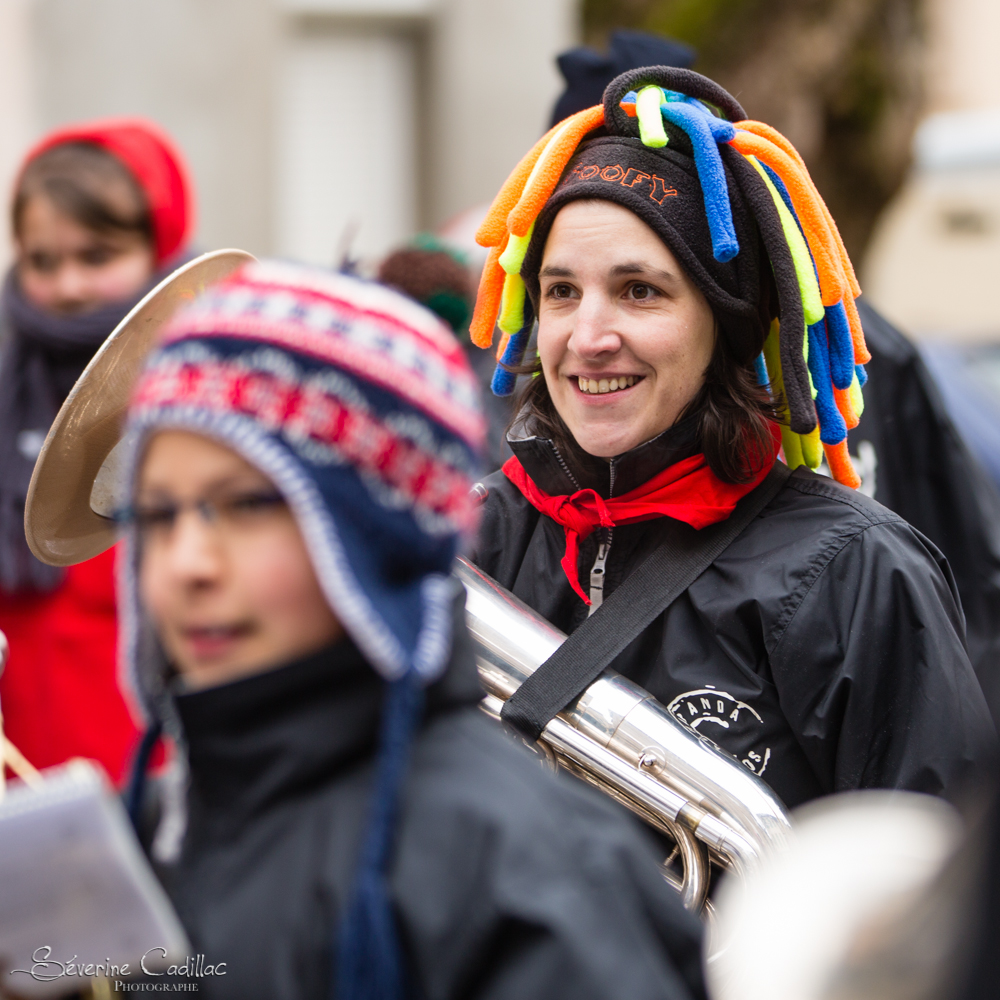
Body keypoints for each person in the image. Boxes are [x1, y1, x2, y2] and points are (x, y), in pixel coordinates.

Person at [116, 260, 706, 999]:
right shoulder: (149, 831)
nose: (186, 564)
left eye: (247, 506)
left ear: (375, 535)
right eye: (157, 514)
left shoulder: (529, 870)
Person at [468, 65, 996, 810]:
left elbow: (934, 864)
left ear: (725, 325)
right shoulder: (471, 540)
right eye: (562, 292)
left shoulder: (857, 574)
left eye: (639, 291)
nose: (587, 337)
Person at [0, 118, 193, 783]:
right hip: (23, 786)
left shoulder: (202, 400)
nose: (70, 286)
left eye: (97, 256)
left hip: (161, 781)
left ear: (156, 248)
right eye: (43, 261)